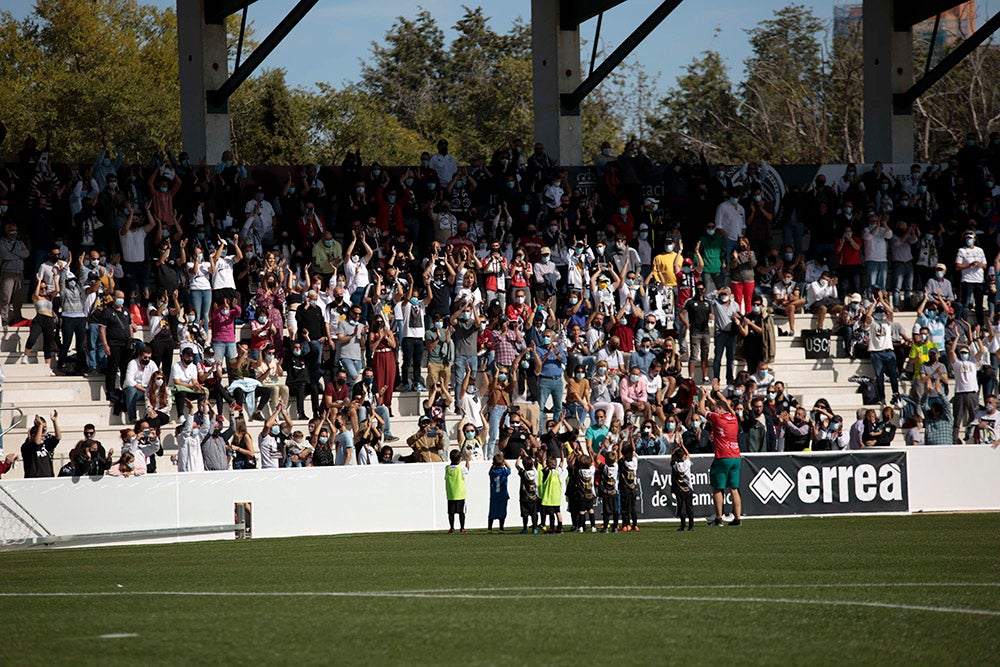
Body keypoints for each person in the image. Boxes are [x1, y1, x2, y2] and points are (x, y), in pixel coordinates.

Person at [698, 380, 743, 526]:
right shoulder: (733, 417)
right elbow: (725, 405)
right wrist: (716, 393)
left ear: (718, 410)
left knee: (717, 488)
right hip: (736, 456)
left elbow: (700, 410)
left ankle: (719, 518)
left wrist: (703, 396)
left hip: (723, 456)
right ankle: (737, 519)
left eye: (714, 407)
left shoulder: (717, 418)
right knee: (734, 489)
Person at [21, 412, 61, 478]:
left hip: (48, 477)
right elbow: (36, 443)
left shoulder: (45, 444)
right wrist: (40, 425)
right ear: (33, 436)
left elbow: (58, 437)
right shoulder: (27, 446)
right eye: (40, 434)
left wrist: (54, 422)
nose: (43, 436)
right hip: (34, 479)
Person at [445, 448, 470, 534]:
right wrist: (467, 460)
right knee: (461, 513)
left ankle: (452, 528)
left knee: (451, 513)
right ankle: (462, 528)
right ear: (460, 459)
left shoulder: (447, 468)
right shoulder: (460, 468)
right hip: (460, 494)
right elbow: (467, 469)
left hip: (451, 494)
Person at [671, 443, 695, 531]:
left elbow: (672, 457)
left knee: (681, 507)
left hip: (679, 489)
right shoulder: (687, 464)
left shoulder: (675, 465)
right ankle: (691, 526)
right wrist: (683, 446)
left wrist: (676, 448)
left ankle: (683, 525)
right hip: (688, 488)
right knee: (689, 507)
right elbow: (688, 455)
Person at [515, 452, 540, 534]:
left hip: (524, 497)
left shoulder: (523, 473)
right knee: (534, 513)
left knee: (525, 514)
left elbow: (516, 465)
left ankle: (525, 528)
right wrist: (526, 455)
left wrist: (520, 456)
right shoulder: (535, 472)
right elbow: (532, 463)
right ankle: (535, 528)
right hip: (533, 497)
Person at [539, 455, 564, 533]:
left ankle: (552, 528)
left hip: (549, 498)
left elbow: (542, 461)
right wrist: (562, 452)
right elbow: (562, 461)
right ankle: (560, 527)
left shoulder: (547, 473)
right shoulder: (558, 472)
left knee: (551, 513)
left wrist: (544, 451)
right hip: (557, 497)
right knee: (558, 512)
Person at [597, 450, 620, 533]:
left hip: (606, 492)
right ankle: (615, 527)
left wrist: (599, 451)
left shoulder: (604, 468)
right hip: (614, 491)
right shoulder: (616, 467)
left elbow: (597, 460)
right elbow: (617, 459)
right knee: (615, 511)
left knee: (606, 511)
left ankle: (606, 527)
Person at [487, 453, 511, 532]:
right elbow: (509, 468)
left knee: (492, 511)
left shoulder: (492, 472)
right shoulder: (504, 472)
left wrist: (493, 464)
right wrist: (504, 461)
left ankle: (490, 528)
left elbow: (489, 472)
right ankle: (501, 528)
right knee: (502, 511)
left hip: (494, 495)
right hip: (503, 495)